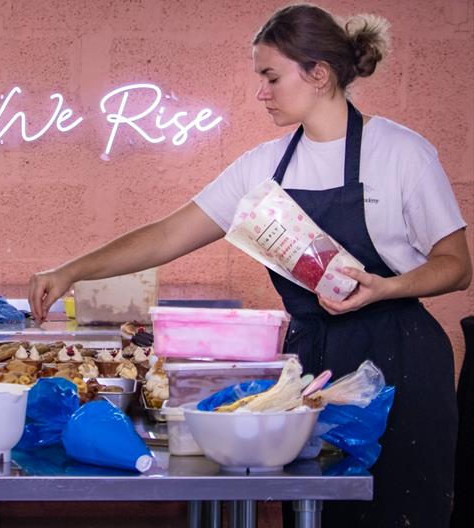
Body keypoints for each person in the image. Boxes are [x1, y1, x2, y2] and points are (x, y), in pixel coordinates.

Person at [28, 4, 471, 527]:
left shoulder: (400, 154)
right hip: (310, 368)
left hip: (401, 361)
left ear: (319, 74)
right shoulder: (263, 167)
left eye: (271, 76)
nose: (261, 92)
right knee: (314, 515)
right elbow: (169, 234)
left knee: (398, 511)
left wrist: (386, 287)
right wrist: (71, 270)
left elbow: (456, 266)